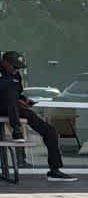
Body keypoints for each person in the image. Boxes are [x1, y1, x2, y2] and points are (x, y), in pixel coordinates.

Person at [0, 50, 75, 182]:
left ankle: (55, 170)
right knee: (10, 92)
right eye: (15, 67)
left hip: (15, 108)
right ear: (5, 63)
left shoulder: (16, 76)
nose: (17, 70)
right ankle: (16, 129)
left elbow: (18, 94)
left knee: (50, 131)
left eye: (19, 68)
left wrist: (25, 100)